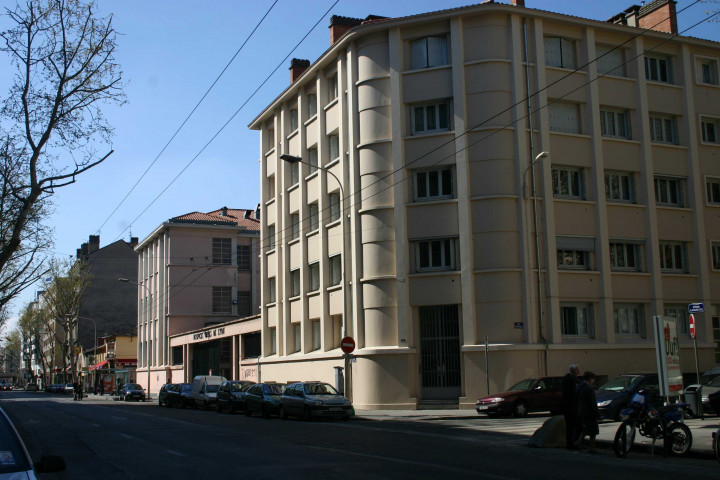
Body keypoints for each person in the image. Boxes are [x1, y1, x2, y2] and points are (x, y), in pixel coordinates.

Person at [575, 371, 599, 453]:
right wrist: (597, 413)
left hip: (580, 410)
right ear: (590, 379)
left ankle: (579, 442)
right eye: (593, 379)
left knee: (585, 428)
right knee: (593, 430)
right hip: (589, 412)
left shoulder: (579, 387)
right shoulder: (589, 389)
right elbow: (592, 403)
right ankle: (592, 447)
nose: (593, 381)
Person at [561, 364, 580, 449]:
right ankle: (571, 443)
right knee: (572, 425)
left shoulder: (566, 377)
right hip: (570, 406)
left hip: (566, 406)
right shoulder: (572, 379)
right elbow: (572, 394)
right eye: (577, 370)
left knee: (569, 425)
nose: (578, 371)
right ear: (574, 370)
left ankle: (569, 442)